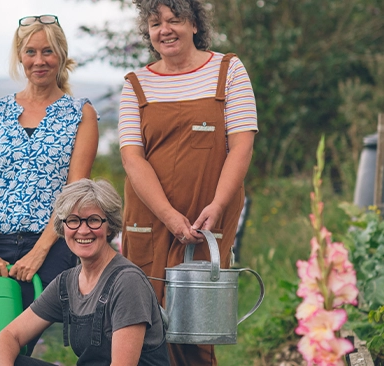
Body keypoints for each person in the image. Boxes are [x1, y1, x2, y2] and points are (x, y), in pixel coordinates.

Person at [119, 0, 258, 365]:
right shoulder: (136, 84)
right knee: (142, 316)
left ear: (194, 24)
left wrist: (218, 205)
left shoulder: (228, 70)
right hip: (149, 217)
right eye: (155, 23)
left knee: (196, 321)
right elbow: (132, 158)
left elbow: (241, 146)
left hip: (207, 217)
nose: (164, 29)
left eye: (174, 19)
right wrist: (168, 216)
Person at [0, 14, 99, 355]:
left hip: (51, 246)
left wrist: (39, 253)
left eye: (48, 52)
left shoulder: (79, 113)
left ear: (61, 56)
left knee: (16, 344)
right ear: (19, 56)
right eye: (30, 52)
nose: (39, 61)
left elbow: (74, 194)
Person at [0, 179, 170, 366]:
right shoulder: (67, 283)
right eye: (73, 221)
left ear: (110, 226)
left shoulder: (127, 282)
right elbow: (10, 336)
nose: (83, 230)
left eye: (93, 220)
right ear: (63, 227)